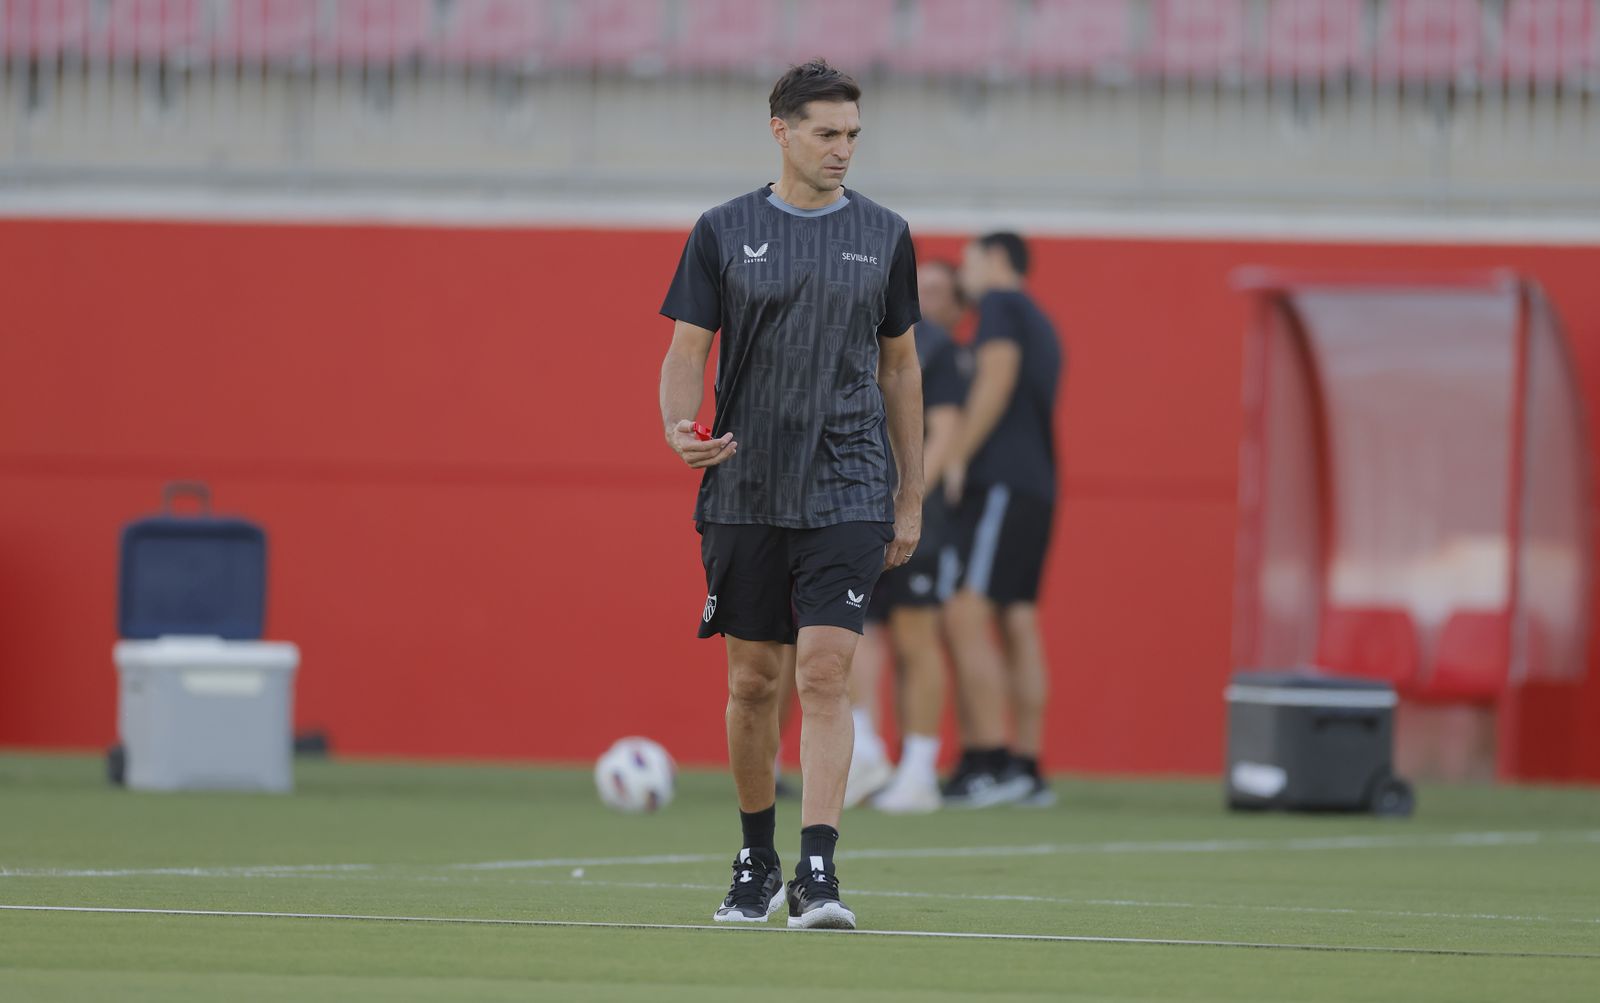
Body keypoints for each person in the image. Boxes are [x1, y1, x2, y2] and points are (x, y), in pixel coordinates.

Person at [657, 60, 924, 930]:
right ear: (780, 129)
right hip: (746, 482)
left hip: (849, 483)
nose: (843, 149)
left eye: (853, 135)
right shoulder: (722, 230)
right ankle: (756, 857)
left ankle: (818, 868)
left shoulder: (886, 234)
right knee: (753, 680)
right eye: (826, 133)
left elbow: (900, 368)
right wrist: (677, 423)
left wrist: (909, 493)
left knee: (822, 671)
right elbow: (689, 347)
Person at [844, 260, 971, 814]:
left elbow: (944, 430)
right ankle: (866, 750)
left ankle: (920, 767)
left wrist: (911, 499)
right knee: (855, 625)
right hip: (853, 500)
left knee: (916, 634)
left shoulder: (937, 345)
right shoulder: (855, 329)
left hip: (914, 510)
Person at [941, 232, 1063, 809]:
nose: (962, 275)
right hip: (1037, 486)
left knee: (965, 612)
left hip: (1001, 485)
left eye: (966, 262)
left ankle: (986, 762)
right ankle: (1027, 768)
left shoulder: (1000, 304)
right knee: (1017, 620)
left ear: (994, 260)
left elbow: (997, 376)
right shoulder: (1041, 320)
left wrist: (960, 452)